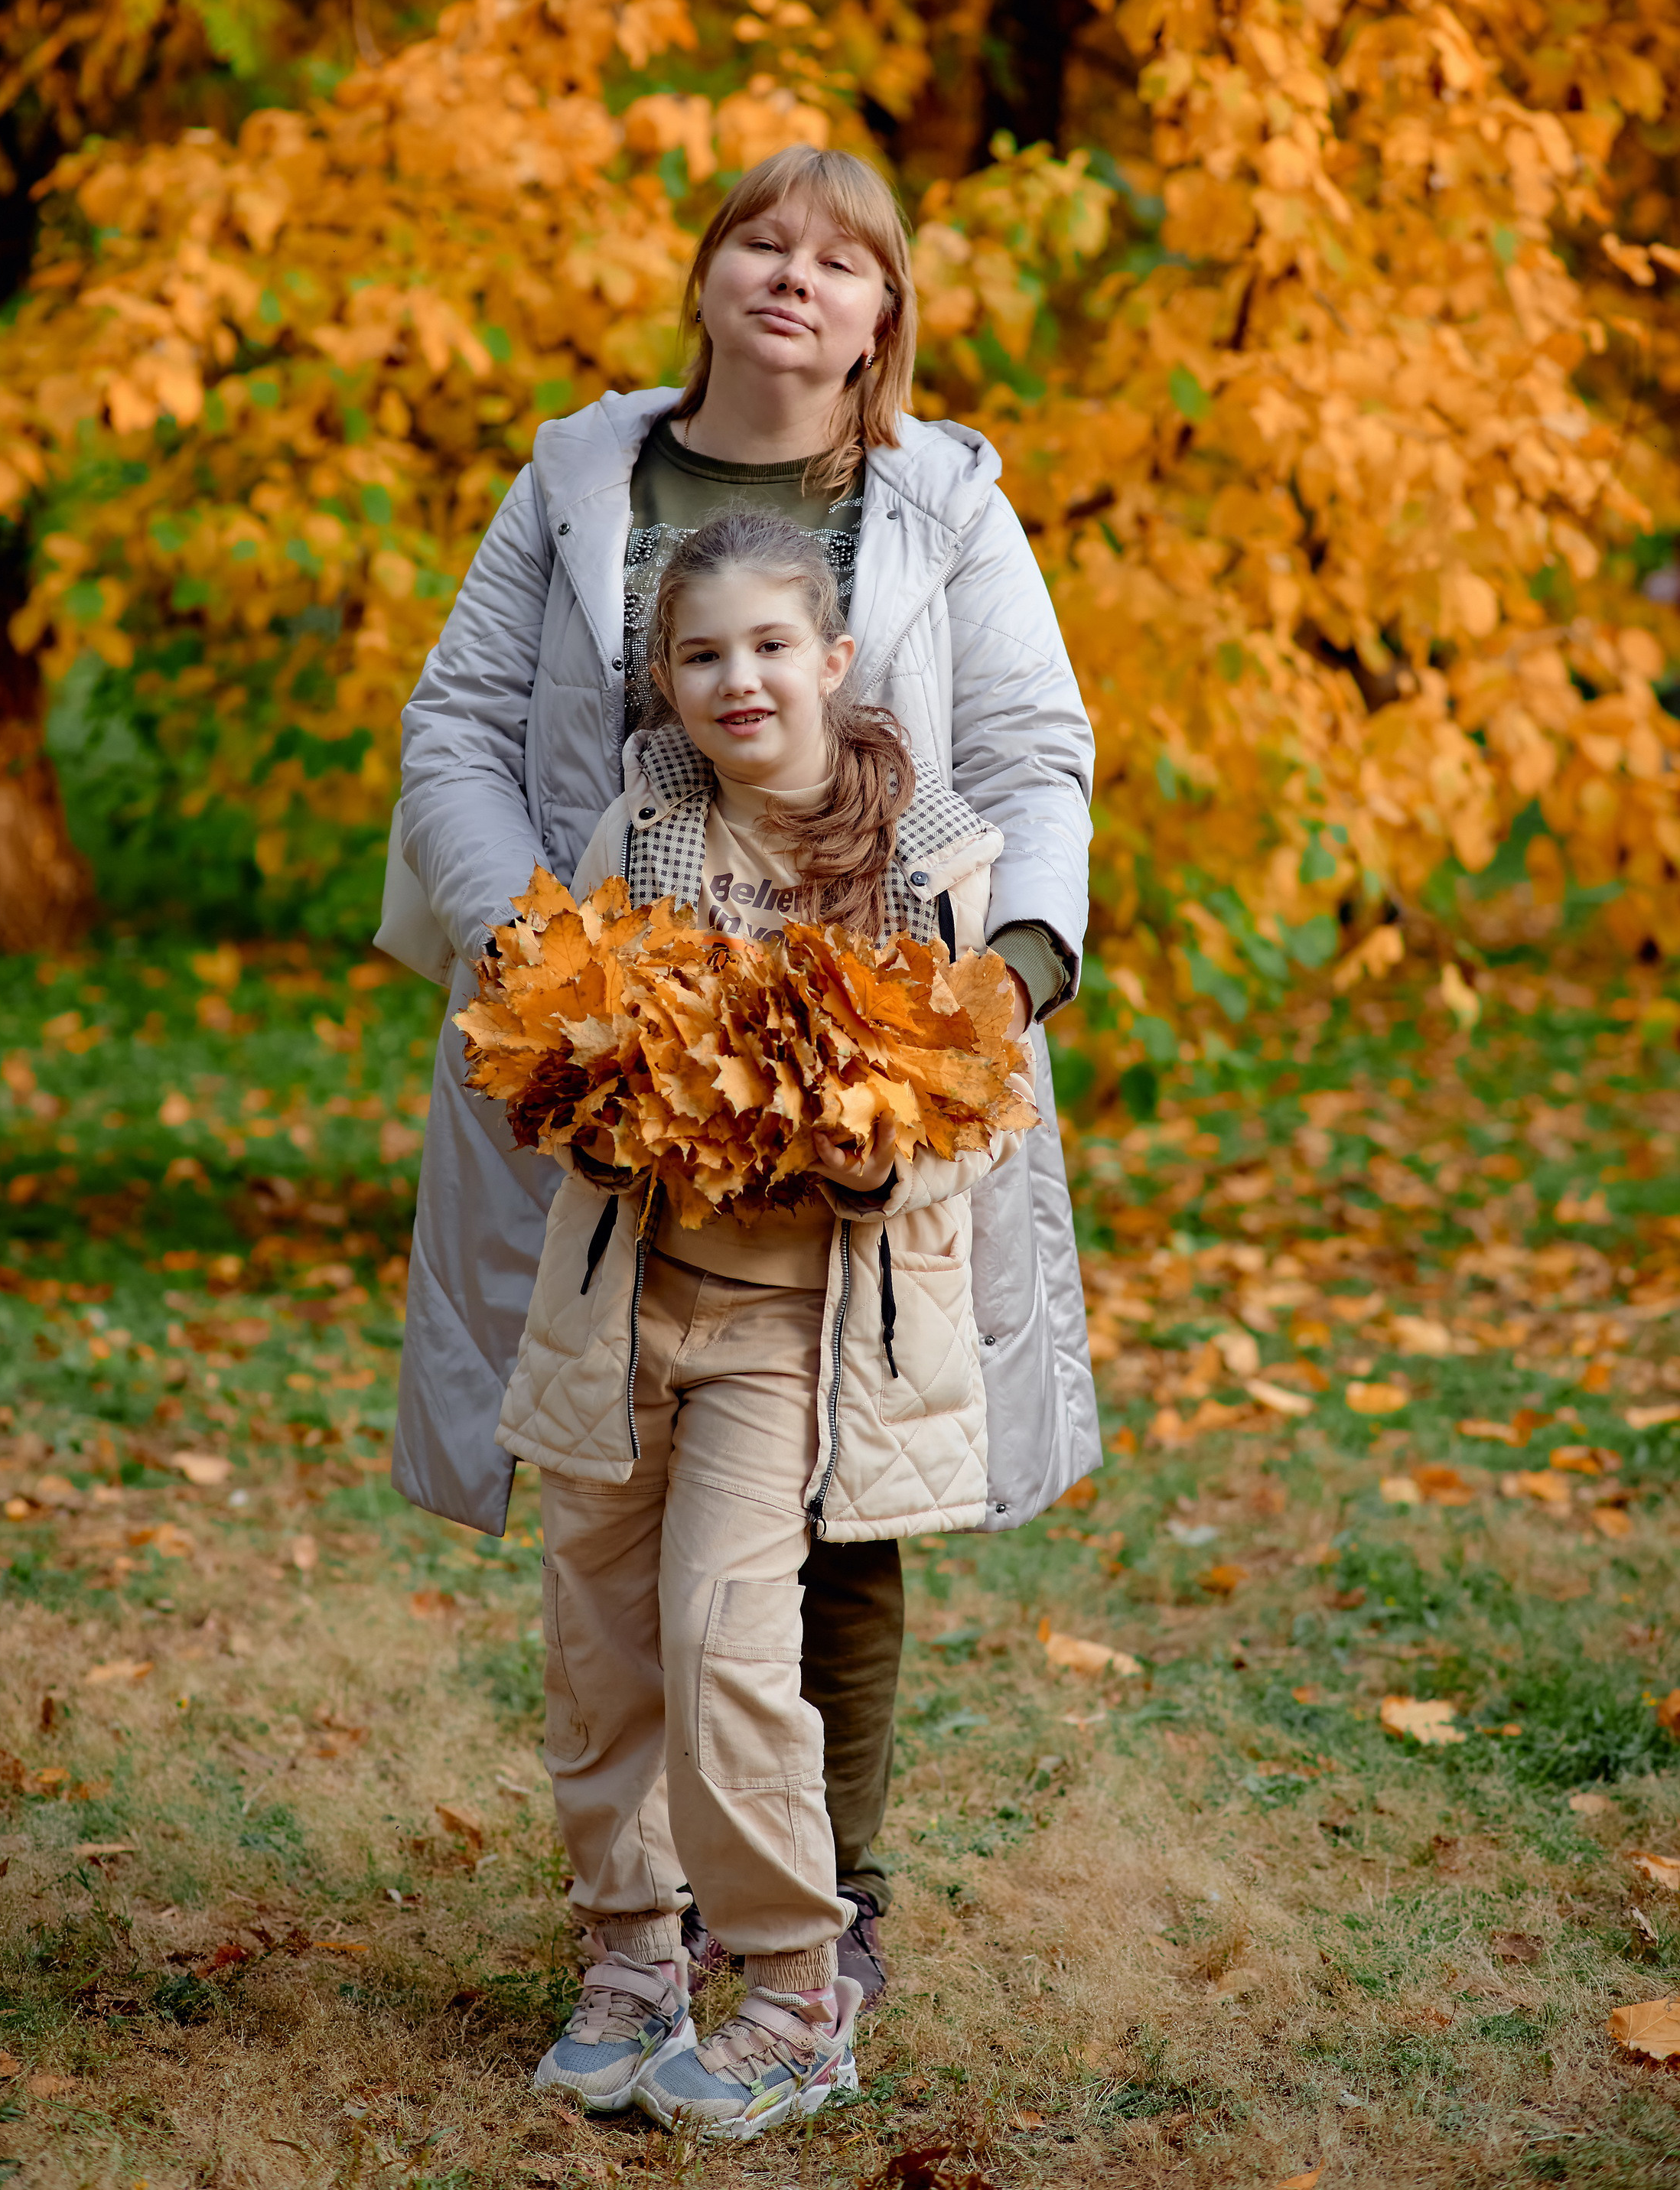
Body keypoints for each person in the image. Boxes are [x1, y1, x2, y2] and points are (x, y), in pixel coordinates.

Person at [385, 143, 1098, 1996]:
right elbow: (456, 721)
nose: (795, 276)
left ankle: (825, 1915)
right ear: (706, 276)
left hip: (858, 1085)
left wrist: (1005, 981)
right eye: (760, 242)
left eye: (840, 258)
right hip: (615, 1073)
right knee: (621, 1488)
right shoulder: (578, 481)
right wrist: (532, 954)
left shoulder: (944, 503)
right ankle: (646, 1916)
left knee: (835, 1484)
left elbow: (1031, 751)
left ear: (882, 318)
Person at [506, 513, 1027, 2137]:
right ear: (663, 680)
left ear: (834, 659)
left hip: (781, 1331)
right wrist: (587, 1099)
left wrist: (881, 1163)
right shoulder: (634, 833)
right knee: (598, 1646)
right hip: (620, 1306)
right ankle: (630, 1956)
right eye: (701, 654)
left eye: (768, 646)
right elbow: (561, 1037)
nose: (739, 680)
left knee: (730, 1641)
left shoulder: (931, 860)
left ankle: (797, 1993)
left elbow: (974, 1114)